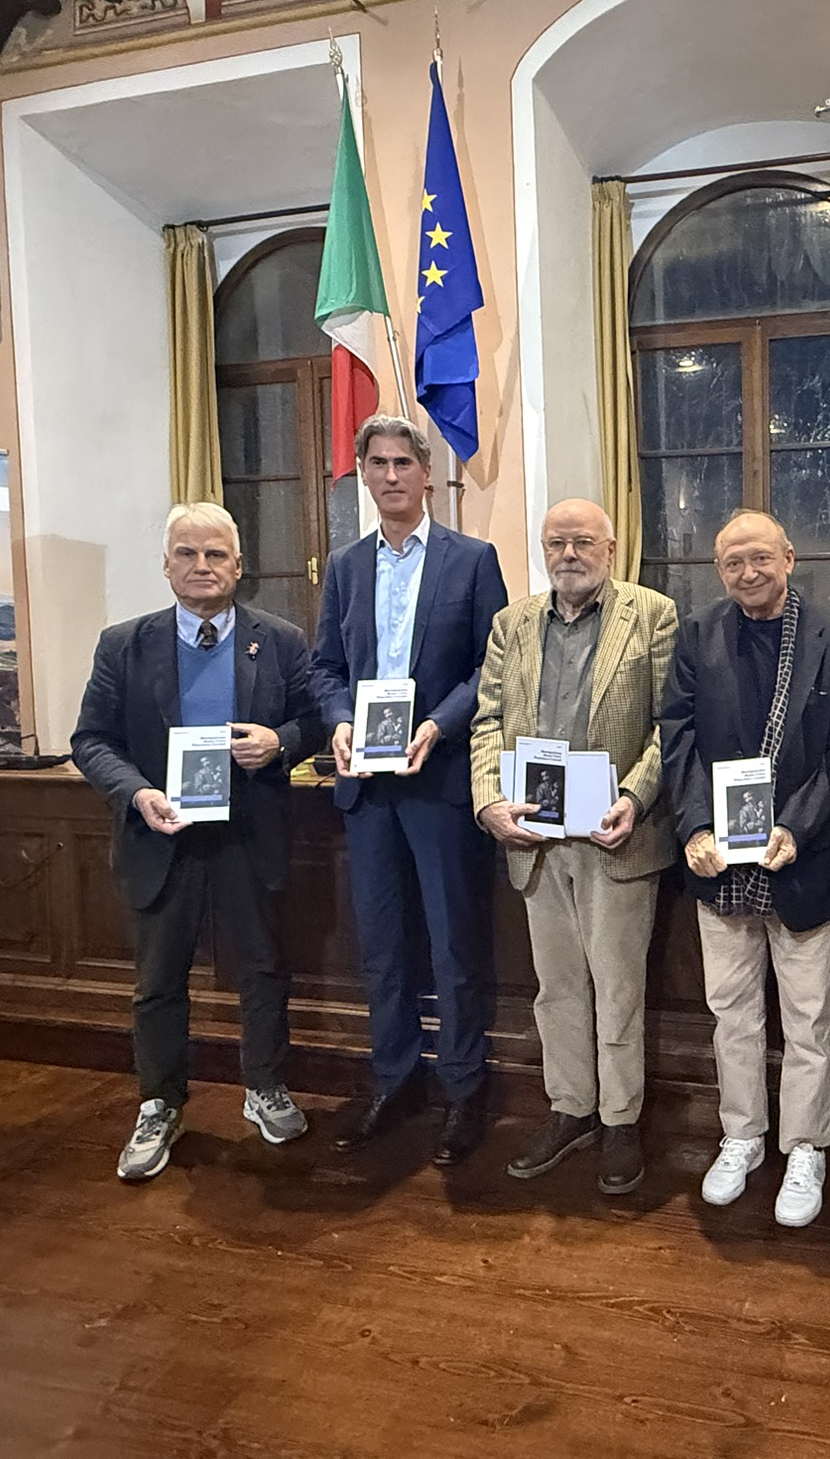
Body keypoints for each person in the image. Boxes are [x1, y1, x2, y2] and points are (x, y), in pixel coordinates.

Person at [70, 502, 325, 1182]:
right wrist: (135, 793)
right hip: (163, 835)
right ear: (166, 565)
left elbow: (315, 720)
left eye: (216, 555)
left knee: (264, 970)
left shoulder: (281, 640)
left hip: (251, 832)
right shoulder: (123, 643)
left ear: (238, 567)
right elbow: (91, 740)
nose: (202, 566)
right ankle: (159, 1103)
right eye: (188, 553)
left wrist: (282, 742)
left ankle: (265, 1088)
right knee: (157, 982)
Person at [659, 510, 830, 1227]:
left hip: (801, 856)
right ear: (718, 570)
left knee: (809, 1018)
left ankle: (806, 1146)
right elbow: (677, 735)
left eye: (760, 558)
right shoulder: (698, 634)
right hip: (718, 860)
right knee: (732, 1014)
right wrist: (691, 824)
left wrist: (795, 824)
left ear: (788, 555)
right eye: (732, 563)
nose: (747, 572)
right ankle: (743, 1135)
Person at [311, 414, 509, 1165]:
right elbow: (326, 667)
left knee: (455, 943)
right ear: (363, 475)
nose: (391, 475)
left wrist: (437, 725)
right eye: (378, 463)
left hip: (438, 781)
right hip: (366, 788)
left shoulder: (471, 560)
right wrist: (335, 723)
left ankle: (464, 1088)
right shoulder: (347, 567)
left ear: (427, 474)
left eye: (403, 462)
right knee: (383, 947)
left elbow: (492, 668)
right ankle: (393, 1079)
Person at [471, 499, 679, 1195]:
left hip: (614, 835)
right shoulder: (512, 625)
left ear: (611, 548)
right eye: (556, 542)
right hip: (536, 838)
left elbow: (668, 727)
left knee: (619, 989)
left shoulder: (652, 615)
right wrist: (489, 803)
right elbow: (487, 721)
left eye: (582, 541)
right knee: (556, 989)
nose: (568, 553)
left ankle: (621, 1120)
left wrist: (637, 797)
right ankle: (571, 1109)